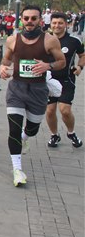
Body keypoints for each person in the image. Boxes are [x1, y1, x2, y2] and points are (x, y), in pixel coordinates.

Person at [0, 5, 66, 187]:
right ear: (21, 20)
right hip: (16, 89)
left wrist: (48, 66)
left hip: (38, 90)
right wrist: (2, 68)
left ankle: (26, 137)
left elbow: (61, 61)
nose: (29, 22)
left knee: (33, 129)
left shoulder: (50, 40)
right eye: (26, 18)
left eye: (33, 18)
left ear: (40, 20)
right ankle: (17, 170)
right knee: (14, 128)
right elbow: (6, 59)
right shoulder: (13, 39)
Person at [45, 13, 84, 148]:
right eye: (54, 23)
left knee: (65, 110)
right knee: (50, 111)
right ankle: (54, 135)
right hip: (48, 81)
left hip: (66, 80)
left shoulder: (74, 41)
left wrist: (80, 67)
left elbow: (82, 55)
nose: (57, 26)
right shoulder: (44, 39)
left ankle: (71, 133)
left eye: (60, 23)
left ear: (66, 24)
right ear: (50, 24)